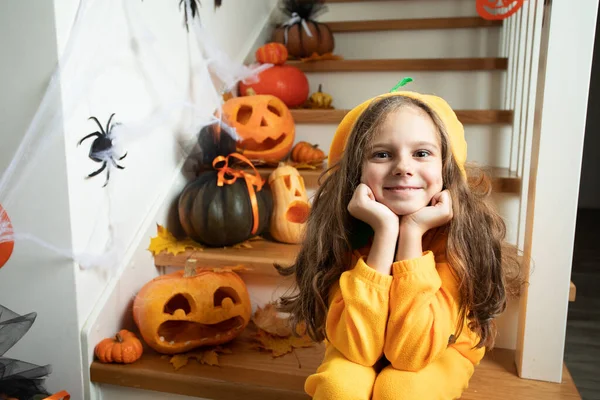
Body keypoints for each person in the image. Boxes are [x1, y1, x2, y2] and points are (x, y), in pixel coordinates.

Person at [276, 85, 522, 400]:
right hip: (360, 344)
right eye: (382, 154)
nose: (403, 167)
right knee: (339, 387)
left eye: (421, 153)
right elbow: (358, 349)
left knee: (400, 390)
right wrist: (385, 232)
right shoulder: (343, 235)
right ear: (356, 172)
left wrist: (413, 234)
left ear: (446, 170)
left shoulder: (457, 244)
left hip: (439, 351)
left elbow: (410, 353)